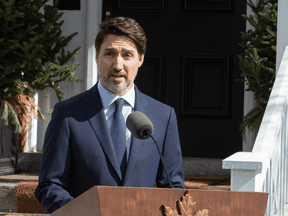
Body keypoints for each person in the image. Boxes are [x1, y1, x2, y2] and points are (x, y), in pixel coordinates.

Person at [35, 16, 185, 213]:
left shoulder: (163, 116)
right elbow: (49, 186)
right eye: (109, 53)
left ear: (141, 59)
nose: (117, 65)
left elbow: (173, 189)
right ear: (97, 56)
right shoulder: (68, 114)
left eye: (127, 55)